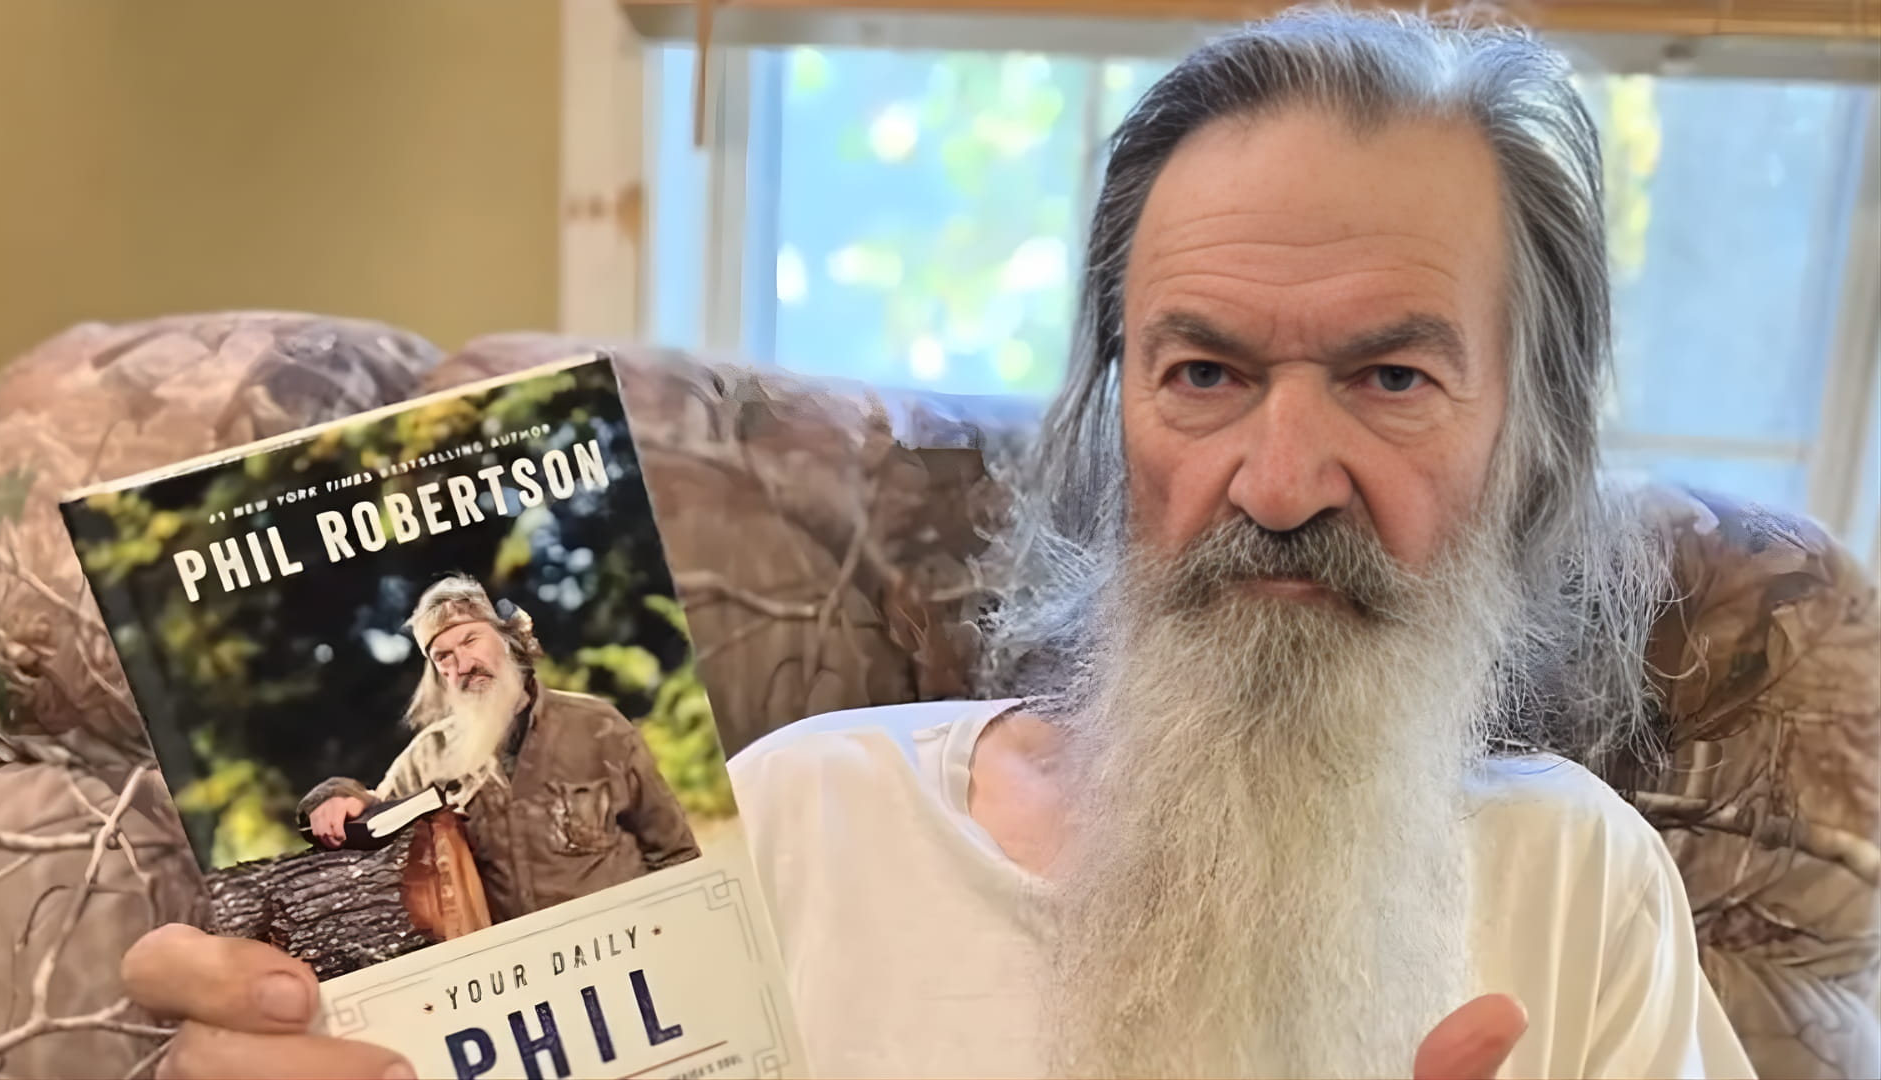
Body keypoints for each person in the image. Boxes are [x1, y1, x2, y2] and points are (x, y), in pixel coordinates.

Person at [121, 7, 1757, 1078]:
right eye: (1204, 372)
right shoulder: (798, 825)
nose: (1277, 480)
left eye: (1393, 377)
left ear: (1520, 436)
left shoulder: (1573, 884)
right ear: (1117, 421)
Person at [297, 573, 699, 922]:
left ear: (507, 641)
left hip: (626, 942)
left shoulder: (597, 726)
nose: (463, 664)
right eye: (443, 657)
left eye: (471, 640)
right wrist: (335, 796)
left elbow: (675, 853)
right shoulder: (429, 756)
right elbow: (372, 813)